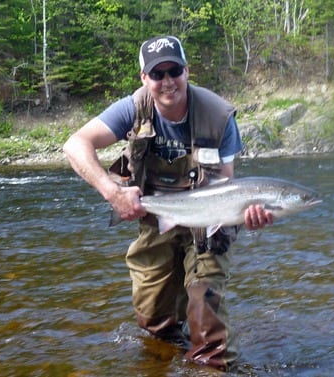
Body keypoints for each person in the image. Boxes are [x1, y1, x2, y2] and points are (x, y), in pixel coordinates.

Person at [63, 35, 273, 371]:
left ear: (187, 71)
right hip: (156, 216)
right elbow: (75, 145)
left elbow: (227, 186)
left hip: (208, 222)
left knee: (206, 311)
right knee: (154, 321)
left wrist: (246, 214)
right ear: (144, 79)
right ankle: (163, 361)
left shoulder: (219, 116)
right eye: (157, 74)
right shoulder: (132, 109)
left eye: (174, 70)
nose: (167, 81)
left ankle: (210, 365)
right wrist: (112, 192)